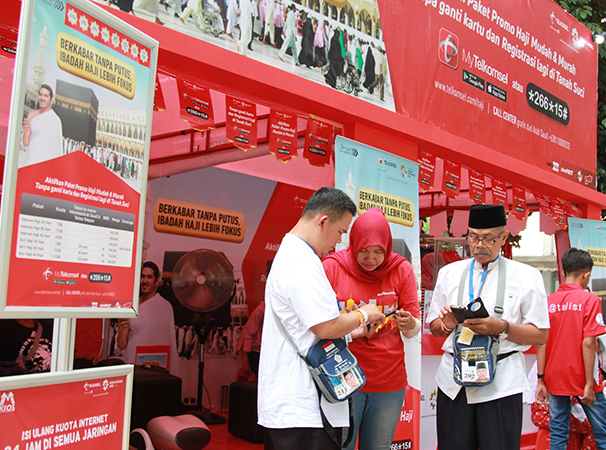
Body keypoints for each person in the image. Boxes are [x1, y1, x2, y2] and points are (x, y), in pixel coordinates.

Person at [258, 187, 385, 450]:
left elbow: (305, 325)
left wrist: (351, 332)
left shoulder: (294, 255)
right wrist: (364, 313)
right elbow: (325, 326)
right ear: (323, 221)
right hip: (302, 406)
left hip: (295, 406)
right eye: (340, 232)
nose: (338, 242)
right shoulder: (302, 262)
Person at [426, 204, 550, 450]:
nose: (479, 245)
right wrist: (447, 324)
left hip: (501, 384)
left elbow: (541, 333)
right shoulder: (450, 273)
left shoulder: (527, 276)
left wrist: (501, 327)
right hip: (454, 383)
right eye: (473, 237)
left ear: (503, 237)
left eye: (488, 239)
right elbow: (435, 327)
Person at [322, 207, 421, 450]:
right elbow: (319, 326)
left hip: (388, 383)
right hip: (342, 380)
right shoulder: (333, 267)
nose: (371, 259)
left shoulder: (401, 269)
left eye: (379, 252)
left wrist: (410, 324)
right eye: (364, 251)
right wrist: (354, 325)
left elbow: (413, 328)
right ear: (353, 243)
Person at [536, 248, 606, 450]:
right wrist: (589, 385)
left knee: (558, 431)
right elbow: (588, 343)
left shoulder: (548, 302)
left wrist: (541, 379)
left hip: (554, 377)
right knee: (603, 433)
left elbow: (542, 342)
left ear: (564, 271)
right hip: (582, 377)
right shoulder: (590, 300)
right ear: (587, 275)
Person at [116, 261, 179, 376]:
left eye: (149, 277)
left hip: (155, 366)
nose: (145, 281)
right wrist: (121, 330)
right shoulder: (130, 306)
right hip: (132, 364)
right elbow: (121, 345)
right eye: (142, 276)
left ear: (156, 281)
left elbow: (169, 341)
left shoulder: (165, 306)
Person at [21, 84, 64, 167]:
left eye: (45, 96)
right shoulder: (31, 115)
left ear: (51, 100)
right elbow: (26, 142)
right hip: (31, 159)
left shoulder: (55, 120)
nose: (42, 98)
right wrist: (25, 131)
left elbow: (56, 147)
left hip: (45, 163)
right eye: (40, 94)